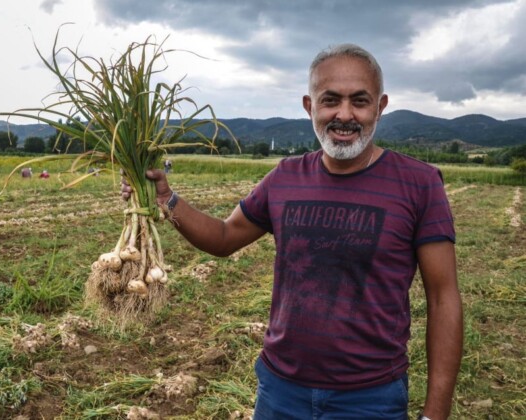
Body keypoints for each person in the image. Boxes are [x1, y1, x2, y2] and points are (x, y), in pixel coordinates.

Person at [123, 44, 462, 420]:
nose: (345, 115)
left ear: (380, 107)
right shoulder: (285, 176)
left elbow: (443, 298)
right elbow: (222, 238)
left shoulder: (419, 183)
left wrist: (436, 413)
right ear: (309, 106)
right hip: (280, 391)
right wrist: (167, 199)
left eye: (360, 101)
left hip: (370, 398)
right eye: (330, 100)